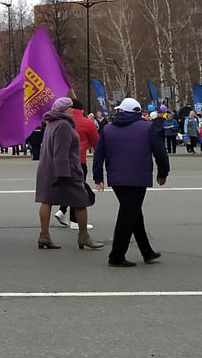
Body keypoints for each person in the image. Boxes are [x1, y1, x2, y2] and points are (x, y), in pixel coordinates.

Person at [92, 97, 170, 268]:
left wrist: (98, 177)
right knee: (127, 216)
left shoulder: (108, 129)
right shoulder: (147, 127)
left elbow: (99, 155)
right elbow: (160, 152)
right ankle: (117, 255)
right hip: (138, 177)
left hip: (116, 178)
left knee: (133, 213)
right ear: (137, 112)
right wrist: (163, 172)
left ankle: (146, 251)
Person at [34, 97, 103, 251]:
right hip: (67, 170)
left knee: (47, 200)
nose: (73, 110)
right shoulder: (64, 125)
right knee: (80, 201)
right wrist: (63, 174)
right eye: (71, 107)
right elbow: (61, 152)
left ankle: (44, 236)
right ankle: (83, 236)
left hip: (46, 168)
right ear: (65, 110)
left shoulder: (51, 123)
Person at [53, 98, 99, 231]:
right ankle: (74, 221)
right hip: (79, 160)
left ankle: (62, 211)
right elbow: (96, 142)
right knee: (77, 191)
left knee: (67, 187)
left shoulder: (59, 121)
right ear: (82, 109)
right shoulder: (87, 123)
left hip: (60, 161)